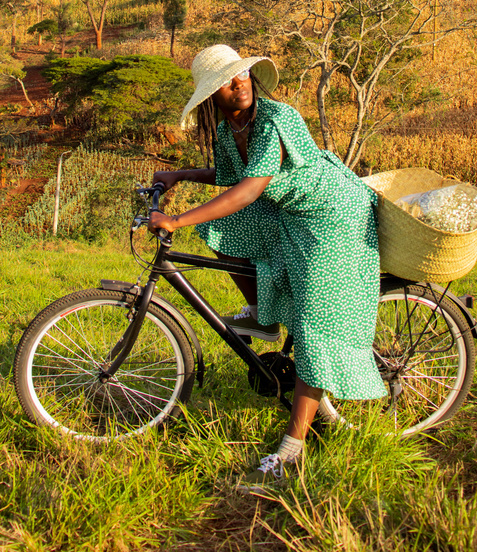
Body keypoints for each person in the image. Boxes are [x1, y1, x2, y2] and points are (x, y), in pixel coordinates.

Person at [150, 44, 385, 494]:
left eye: (240, 75)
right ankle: (263, 313)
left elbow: (250, 188)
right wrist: (180, 175)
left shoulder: (278, 119)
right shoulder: (227, 130)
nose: (236, 84)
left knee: (316, 321)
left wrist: (178, 219)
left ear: (250, 77)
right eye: (225, 80)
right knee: (222, 228)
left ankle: (291, 449)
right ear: (211, 96)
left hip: (333, 215)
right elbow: (227, 181)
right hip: (289, 215)